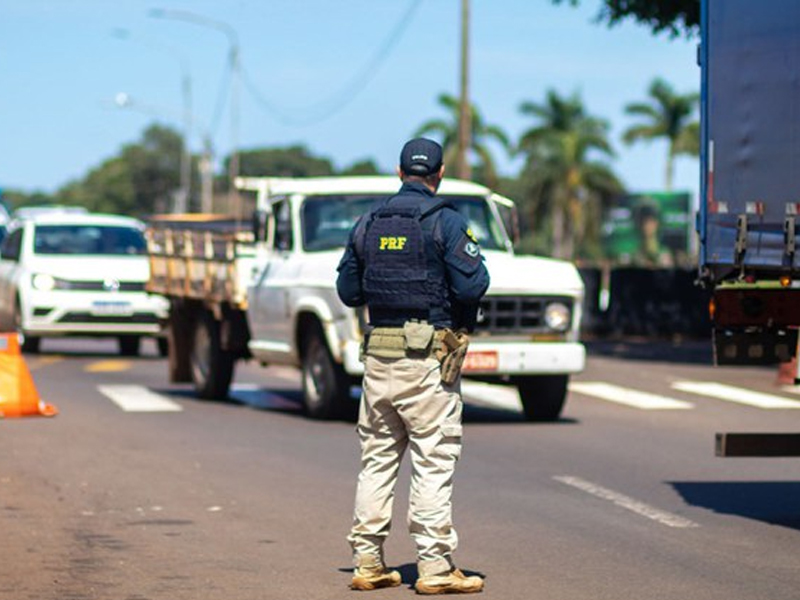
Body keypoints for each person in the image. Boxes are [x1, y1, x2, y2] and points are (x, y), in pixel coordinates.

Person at [336, 138, 490, 594]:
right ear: (439, 174)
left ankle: (367, 562)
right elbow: (473, 285)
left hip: (378, 358)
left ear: (399, 172)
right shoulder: (445, 222)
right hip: (426, 362)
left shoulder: (367, 224)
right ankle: (436, 568)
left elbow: (349, 291)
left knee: (378, 459)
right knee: (433, 459)